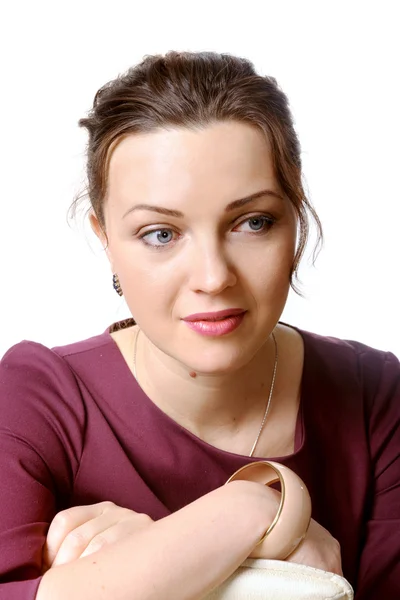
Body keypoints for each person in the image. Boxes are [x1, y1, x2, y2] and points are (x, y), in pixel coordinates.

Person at [0, 51, 399, 600]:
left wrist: (129, 572)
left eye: (252, 222)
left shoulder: (375, 397)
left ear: (296, 219)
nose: (213, 278)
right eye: (160, 233)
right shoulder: (36, 399)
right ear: (105, 240)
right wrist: (255, 514)